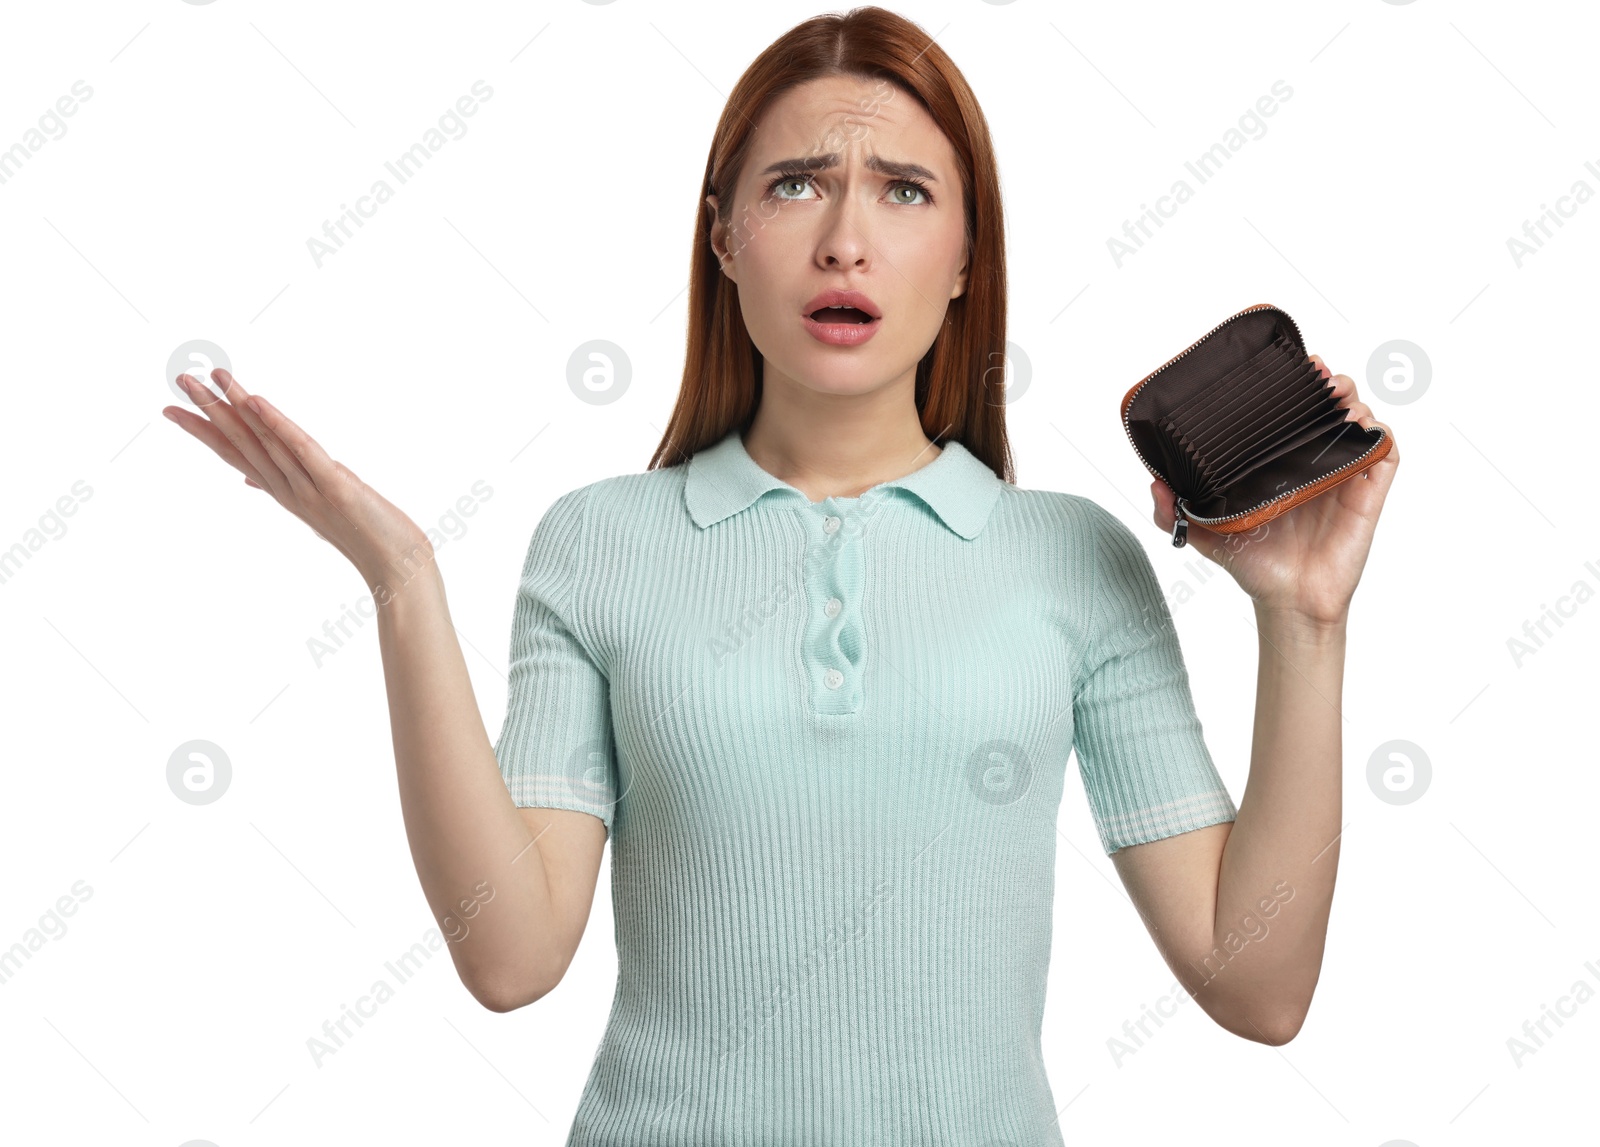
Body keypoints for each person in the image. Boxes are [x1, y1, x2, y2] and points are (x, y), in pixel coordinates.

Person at [162, 7, 1399, 1144]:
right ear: (725, 239)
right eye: (797, 184)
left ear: (968, 255)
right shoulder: (600, 542)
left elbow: (1259, 981)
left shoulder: (1073, 560)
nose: (846, 240)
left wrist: (1303, 620)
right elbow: (513, 956)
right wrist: (403, 579)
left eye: (905, 192)